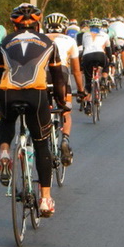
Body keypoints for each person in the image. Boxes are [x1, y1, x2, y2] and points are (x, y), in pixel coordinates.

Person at [0, 3, 66, 217]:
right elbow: (59, 78)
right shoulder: (48, 42)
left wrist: (0, 100)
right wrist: (62, 102)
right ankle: (45, 199)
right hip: (36, 94)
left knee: (7, 120)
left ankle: (4, 152)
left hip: (8, 92)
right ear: (38, 24)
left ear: (14, 25)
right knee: (41, 144)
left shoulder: (5, 42)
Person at [44, 11, 82, 164]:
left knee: (42, 109)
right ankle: (65, 140)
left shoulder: (39, 38)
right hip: (62, 74)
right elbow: (77, 71)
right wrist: (81, 90)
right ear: (65, 28)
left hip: (42, 75)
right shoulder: (70, 40)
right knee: (66, 111)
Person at [79, 18, 110, 111]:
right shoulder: (105, 35)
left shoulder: (85, 34)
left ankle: (88, 104)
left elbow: (84, 48)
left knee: (88, 82)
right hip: (100, 55)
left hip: (87, 56)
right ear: (100, 27)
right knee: (106, 64)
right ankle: (104, 79)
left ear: (90, 27)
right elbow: (108, 50)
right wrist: (110, 60)